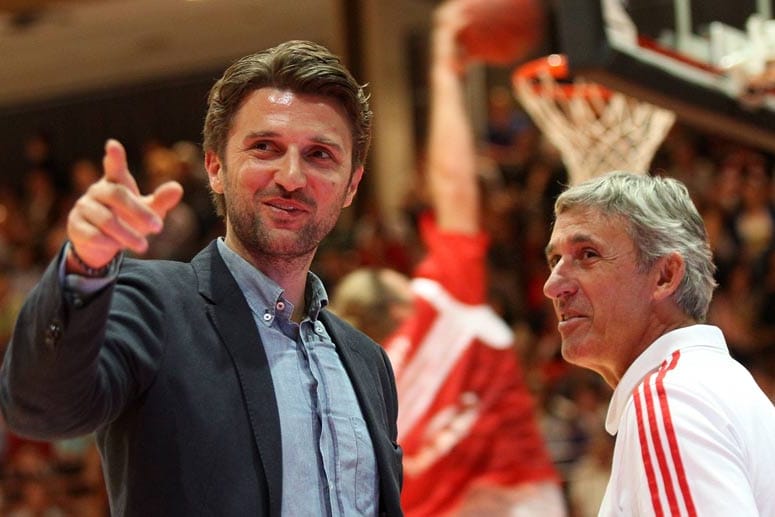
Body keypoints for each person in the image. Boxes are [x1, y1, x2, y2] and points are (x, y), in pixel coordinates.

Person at [0, 40, 403, 517]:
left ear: (351, 185)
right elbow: (40, 407)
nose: (292, 177)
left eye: (320, 155)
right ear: (215, 166)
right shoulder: (152, 304)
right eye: (265, 148)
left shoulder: (367, 361)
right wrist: (84, 269)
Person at [330, 3, 564, 515]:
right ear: (400, 303)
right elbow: (456, 185)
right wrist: (443, 65)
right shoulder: (438, 300)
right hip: (519, 499)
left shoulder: (356, 404)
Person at [542, 171, 775, 516]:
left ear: (664, 276)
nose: (552, 285)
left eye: (588, 254)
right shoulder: (712, 383)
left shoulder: (669, 397)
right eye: (554, 260)